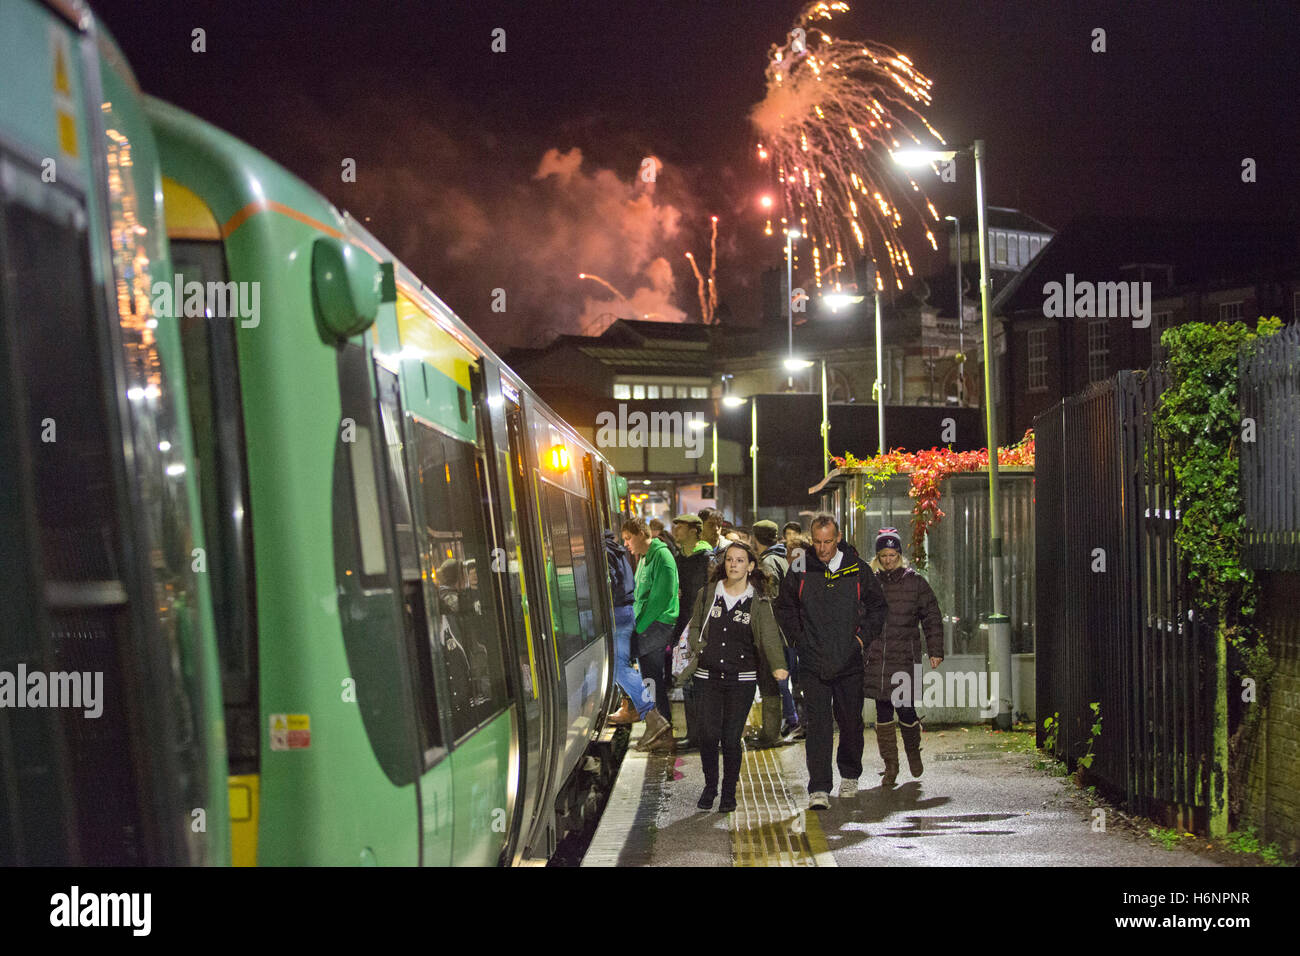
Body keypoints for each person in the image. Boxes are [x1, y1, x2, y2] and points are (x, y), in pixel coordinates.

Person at [775, 513, 887, 810]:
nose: (822, 548)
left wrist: (861, 641)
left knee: (851, 722)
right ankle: (819, 787)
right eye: (817, 542)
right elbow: (785, 607)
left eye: (828, 541)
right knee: (819, 726)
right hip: (813, 662)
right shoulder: (799, 567)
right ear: (811, 540)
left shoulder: (857, 569)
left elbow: (878, 608)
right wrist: (799, 640)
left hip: (849, 660)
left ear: (838, 538)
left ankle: (850, 775)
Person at [677, 542, 788, 812]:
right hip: (707, 676)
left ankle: (728, 793)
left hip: (743, 679)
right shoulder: (708, 594)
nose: (734, 564)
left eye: (740, 560)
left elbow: (770, 635)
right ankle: (710, 786)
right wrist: (698, 645)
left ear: (751, 566)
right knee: (707, 734)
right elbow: (694, 624)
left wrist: (778, 666)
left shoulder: (758, 600)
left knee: (730, 738)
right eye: (729, 560)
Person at [866, 528, 944, 785]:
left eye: (892, 554)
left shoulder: (915, 582)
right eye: (883, 555)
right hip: (877, 657)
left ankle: (912, 751)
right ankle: (890, 765)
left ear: (900, 554)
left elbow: (931, 616)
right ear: (877, 556)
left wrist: (935, 650)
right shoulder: (870, 582)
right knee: (883, 711)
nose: (888, 559)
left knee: (907, 710)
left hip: (905, 657)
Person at [622, 517, 679, 751]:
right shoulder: (645, 558)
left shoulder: (662, 557)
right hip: (647, 624)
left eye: (628, 538)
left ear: (642, 534)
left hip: (657, 624)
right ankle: (657, 726)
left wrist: (640, 628)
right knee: (649, 677)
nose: (626, 544)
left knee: (652, 678)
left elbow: (660, 598)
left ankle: (662, 729)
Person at [753, 519, 801, 744]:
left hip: (776, 630)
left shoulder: (769, 561)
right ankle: (789, 720)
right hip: (786, 629)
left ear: (756, 539)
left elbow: (769, 600)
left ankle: (779, 727)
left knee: (775, 679)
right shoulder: (783, 557)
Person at [671, 514, 713, 750]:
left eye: (681, 527)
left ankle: (707, 733)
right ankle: (693, 733)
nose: (676, 531)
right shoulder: (679, 558)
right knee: (687, 680)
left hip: (702, 626)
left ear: (694, 531)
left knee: (705, 683)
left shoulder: (706, 558)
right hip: (683, 626)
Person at [603, 529, 646, 727]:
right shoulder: (617, 551)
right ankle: (630, 706)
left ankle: (648, 709)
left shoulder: (605, 552)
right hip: (625, 610)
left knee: (619, 666)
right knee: (619, 664)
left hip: (617, 612)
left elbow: (609, 582)